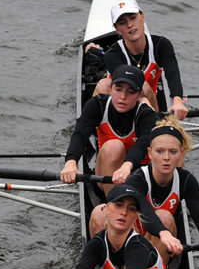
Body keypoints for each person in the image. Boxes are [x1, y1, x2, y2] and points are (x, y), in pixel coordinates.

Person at [89, 117, 199, 262]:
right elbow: (144, 210)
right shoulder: (137, 180)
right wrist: (163, 233)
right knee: (99, 213)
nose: (166, 158)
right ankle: (114, 264)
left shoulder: (187, 180)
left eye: (173, 152)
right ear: (150, 153)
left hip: (159, 239)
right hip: (130, 234)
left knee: (164, 217)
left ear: (182, 153)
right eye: (160, 151)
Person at [60, 63, 160, 196]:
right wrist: (70, 162)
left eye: (130, 92)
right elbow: (80, 134)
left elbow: (142, 145)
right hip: (106, 177)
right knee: (114, 146)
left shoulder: (147, 115)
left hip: (137, 174)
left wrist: (126, 166)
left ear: (139, 95)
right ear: (111, 88)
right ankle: (114, 203)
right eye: (118, 89)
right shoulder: (97, 105)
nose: (123, 97)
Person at [87, 0, 189, 120]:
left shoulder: (161, 45)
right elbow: (129, 83)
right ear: (117, 29)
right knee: (105, 85)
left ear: (142, 16)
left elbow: (173, 74)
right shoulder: (112, 54)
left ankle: (155, 125)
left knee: (144, 90)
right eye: (122, 22)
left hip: (150, 103)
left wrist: (177, 100)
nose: (130, 25)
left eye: (133, 17)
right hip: (120, 106)